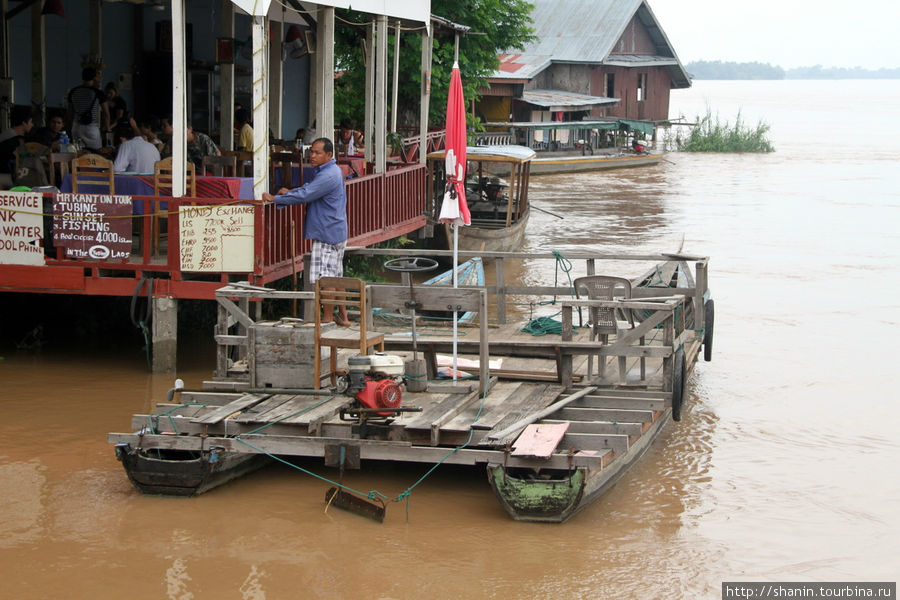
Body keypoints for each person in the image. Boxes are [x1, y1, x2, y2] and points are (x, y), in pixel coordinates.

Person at [261, 138, 348, 324]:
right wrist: (290, 192)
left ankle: (327, 319)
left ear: (329, 155)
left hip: (326, 232)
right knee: (336, 275)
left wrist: (276, 199)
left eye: (317, 153)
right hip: (335, 229)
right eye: (312, 152)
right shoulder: (330, 171)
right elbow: (310, 189)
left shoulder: (328, 175)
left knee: (325, 279)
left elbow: (307, 194)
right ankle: (343, 317)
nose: (312, 156)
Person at [67, 67, 110, 151]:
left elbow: (69, 113)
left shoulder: (73, 91)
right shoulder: (98, 93)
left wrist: (69, 127)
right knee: (96, 154)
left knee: (78, 154)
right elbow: (106, 113)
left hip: (76, 127)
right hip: (91, 128)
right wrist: (107, 127)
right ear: (94, 78)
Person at [0, 106, 34, 186]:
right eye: (31, 122)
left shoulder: (11, 134)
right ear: (24, 123)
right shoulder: (12, 137)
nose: (32, 125)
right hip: (6, 175)